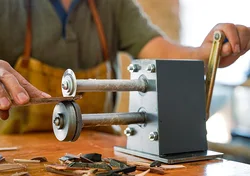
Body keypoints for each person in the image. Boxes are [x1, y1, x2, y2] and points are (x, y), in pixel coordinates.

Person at [0, 0, 249, 133]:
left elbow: (163, 55)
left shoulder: (114, 5)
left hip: (100, 160)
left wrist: (210, 52)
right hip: (20, 156)